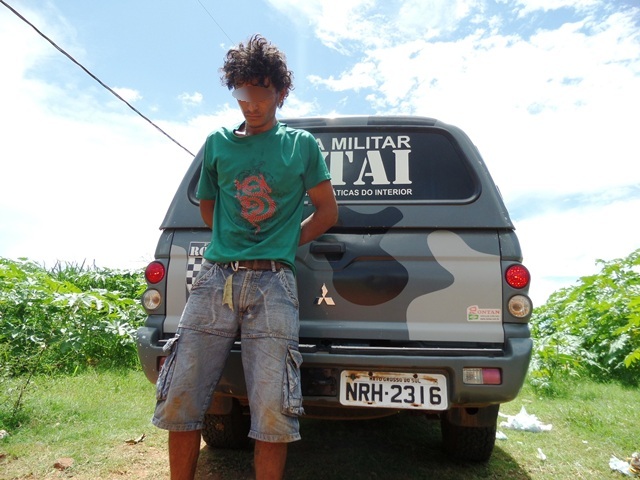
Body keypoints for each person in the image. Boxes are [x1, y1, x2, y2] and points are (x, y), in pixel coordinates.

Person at [151, 34, 338, 480]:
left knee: (272, 406)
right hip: (215, 279)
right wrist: (233, 243)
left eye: (262, 92)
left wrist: (282, 243)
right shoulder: (218, 145)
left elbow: (327, 211)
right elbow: (208, 205)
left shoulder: (301, 146)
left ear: (280, 93)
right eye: (243, 92)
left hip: (275, 285)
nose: (252, 103)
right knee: (182, 392)